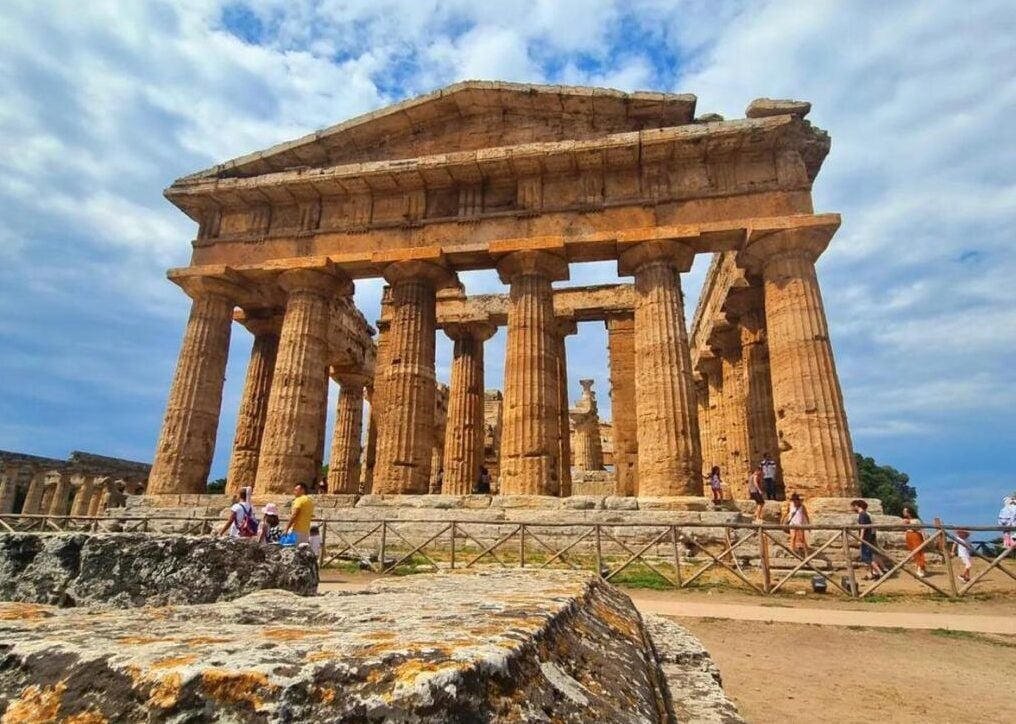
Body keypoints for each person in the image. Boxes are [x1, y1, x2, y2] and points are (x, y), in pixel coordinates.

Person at [852, 499, 886, 579]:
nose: (852, 508)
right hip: (868, 537)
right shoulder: (865, 514)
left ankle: (880, 572)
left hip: (866, 538)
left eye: (853, 506)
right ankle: (871, 574)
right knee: (868, 556)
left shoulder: (862, 515)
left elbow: (863, 528)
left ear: (857, 506)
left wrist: (860, 539)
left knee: (866, 557)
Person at [901, 505, 927, 577]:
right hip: (909, 536)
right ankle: (921, 568)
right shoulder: (905, 520)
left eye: (904, 511)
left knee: (918, 552)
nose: (903, 512)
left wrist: (909, 522)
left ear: (909, 512)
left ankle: (921, 569)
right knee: (914, 553)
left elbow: (920, 528)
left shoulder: (916, 520)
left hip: (915, 535)